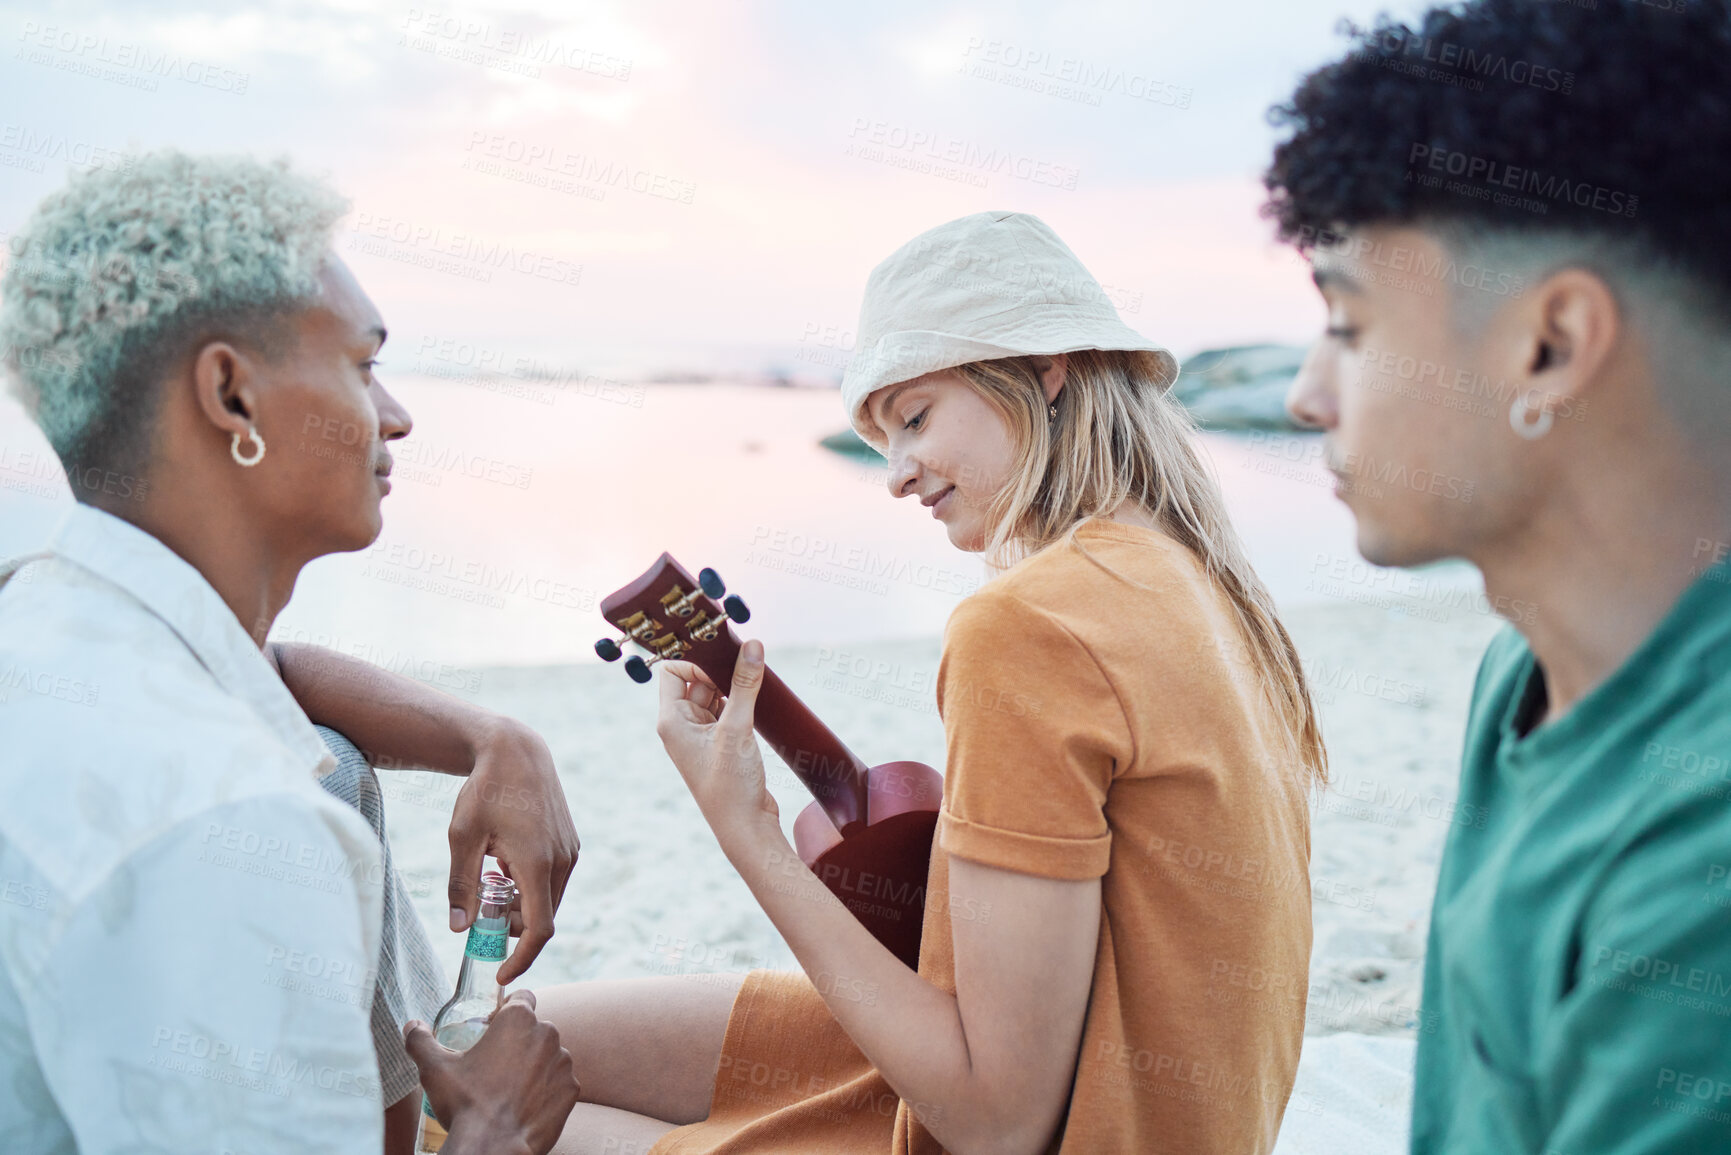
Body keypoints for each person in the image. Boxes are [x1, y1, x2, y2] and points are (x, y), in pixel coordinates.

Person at [535, 212, 1327, 1155]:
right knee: (523, 1042)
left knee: (490, 1099)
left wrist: (744, 827)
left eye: (913, 418)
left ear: (1046, 370)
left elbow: (996, 1123)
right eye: (877, 438)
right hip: (1101, 1081)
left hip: (1032, 1115)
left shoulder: (1030, 623)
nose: (896, 475)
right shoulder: (1206, 586)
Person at [0, 151, 578, 1154]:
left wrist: (492, 737)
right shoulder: (226, 823)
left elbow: (257, 673)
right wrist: (493, 1129)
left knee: (335, 759)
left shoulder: (50, 616)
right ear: (231, 395)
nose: (394, 414)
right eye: (360, 365)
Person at [1264, 0, 1731, 1150]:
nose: (1305, 397)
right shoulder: (1521, 671)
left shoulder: (1703, 856)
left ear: (1549, 346)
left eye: (1351, 324)